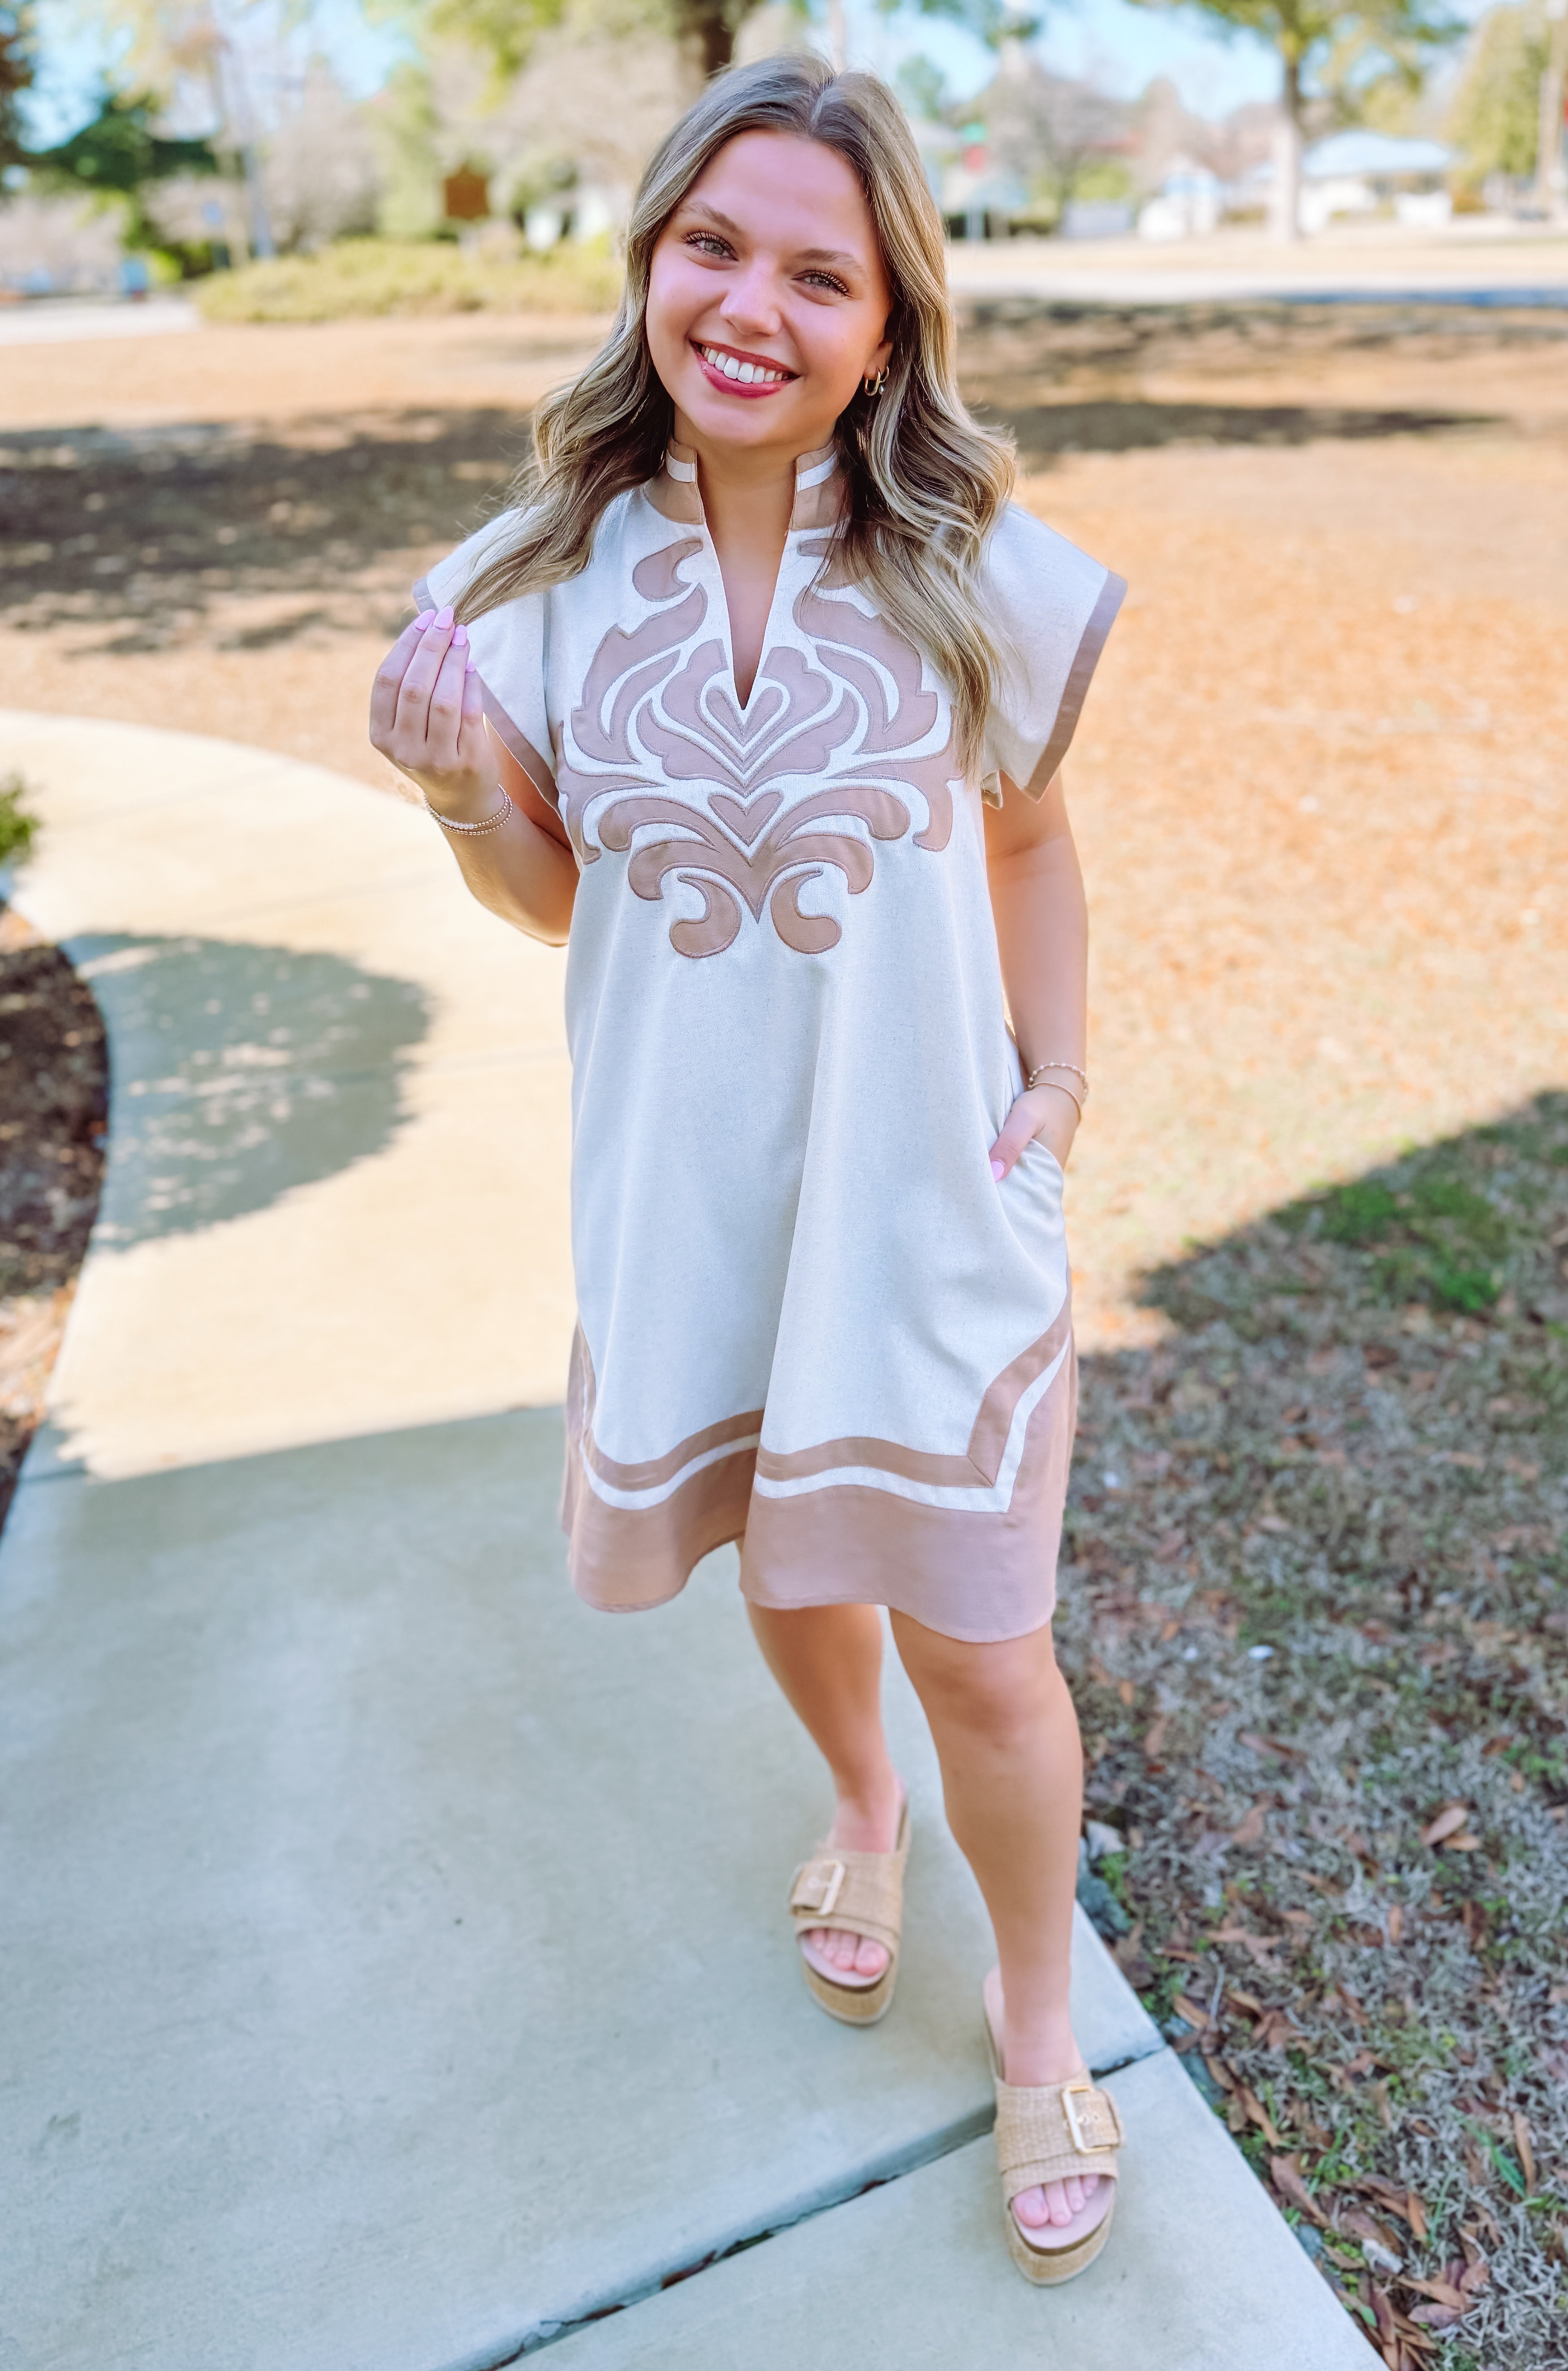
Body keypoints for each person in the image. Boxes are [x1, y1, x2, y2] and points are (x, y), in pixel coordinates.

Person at [370, 55, 1126, 2285]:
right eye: (715, 247)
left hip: (926, 1212)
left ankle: (1034, 2019)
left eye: (820, 272)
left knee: (984, 1645)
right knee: (789, 1575)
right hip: (694, 1195)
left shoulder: (974, 565)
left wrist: (1055, 1091)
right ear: (648, 262)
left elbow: (1029, 838)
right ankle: (855, 1807)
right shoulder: (528, 575)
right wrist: (448, 790)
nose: (753, 308)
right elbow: (560, 896)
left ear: (888, 323)